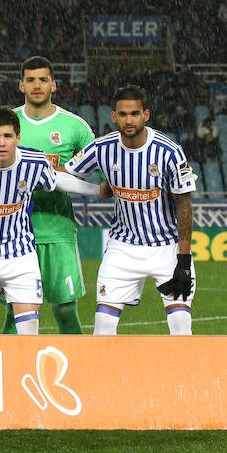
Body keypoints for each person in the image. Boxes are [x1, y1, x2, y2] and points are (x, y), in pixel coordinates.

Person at [0, 106, 102, 335]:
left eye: (7, 136)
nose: (1, 143)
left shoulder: (34, 162)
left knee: (28, 335)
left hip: (19, 256)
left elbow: (59, 181)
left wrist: (98, 191)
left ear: (18, 137)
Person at [64, 85, 197, 335]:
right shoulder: (102, 148)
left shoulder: (168, 152)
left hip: (166, 247)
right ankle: (107, 375)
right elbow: (66, 173)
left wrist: (184, 260)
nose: (128, 120)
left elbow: (184, 205)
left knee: (181, 327)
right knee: (103, 327)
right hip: (123, 247)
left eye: (134, 113)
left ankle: (183, 375)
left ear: (146, 115)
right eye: (123, 114)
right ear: (113, 116)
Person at [0, 56, 97, 335]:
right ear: (21, 85)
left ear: (54, 85)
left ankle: (77, 372)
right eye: (30, 80)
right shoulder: (8, 122)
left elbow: (96, 165)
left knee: (65, 309)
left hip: (58, 231)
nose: (37, 85)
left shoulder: (74, 126)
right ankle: (9, 374)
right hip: (12, 234)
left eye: (43, 79)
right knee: (14, 311)